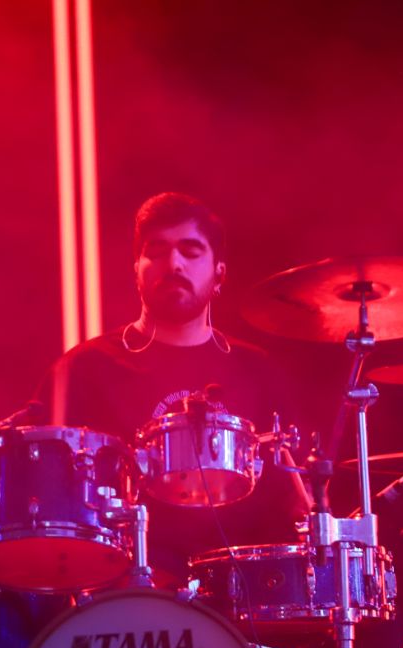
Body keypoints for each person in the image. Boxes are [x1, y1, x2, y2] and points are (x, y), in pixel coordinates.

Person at [33, 191, 311, 580]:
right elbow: (46, 501)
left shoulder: (258, 371)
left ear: (219, 273)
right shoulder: (82, 370)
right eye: (157, 251)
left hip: (243, 594)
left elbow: (295, 500)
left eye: (191, 251)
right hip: (125, 590)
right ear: (137, 269)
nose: (174, 263)